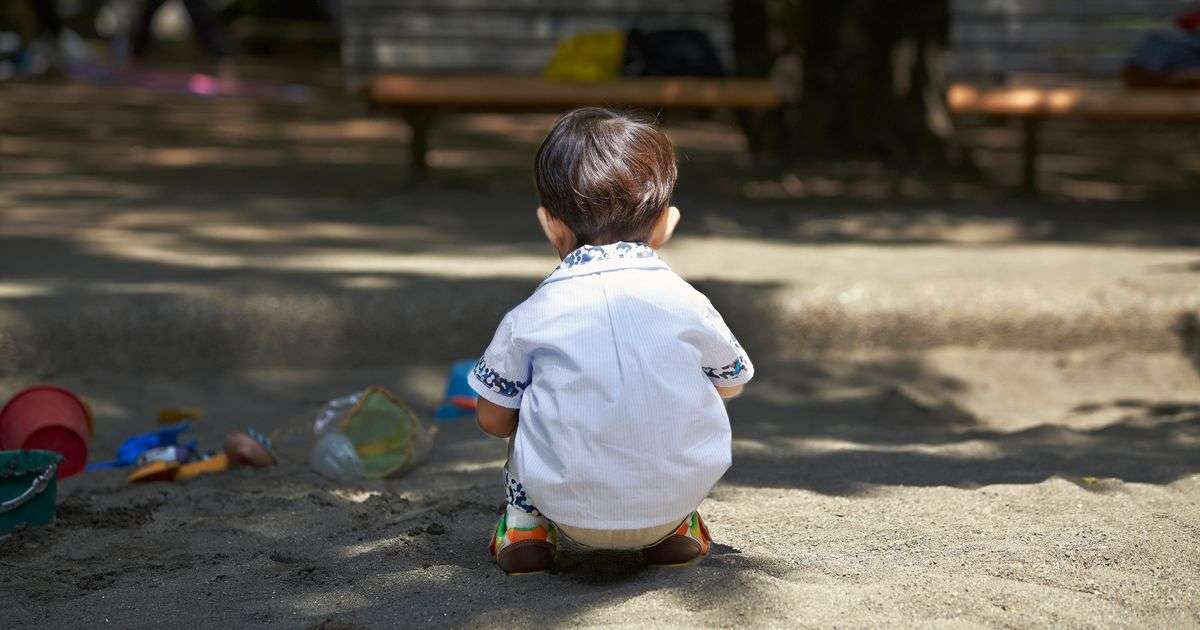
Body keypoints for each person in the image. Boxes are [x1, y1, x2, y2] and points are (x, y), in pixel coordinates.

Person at [470, 107, 755, 574]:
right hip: (672, 497)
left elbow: (492, 419)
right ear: (666, 224)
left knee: (525, 415)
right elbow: (731, 382)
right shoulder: (687, 303)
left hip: (566, 505)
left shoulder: (531, 315)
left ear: (551, 225)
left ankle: (526, 529)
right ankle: (674, 531)